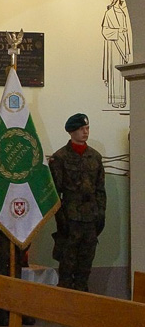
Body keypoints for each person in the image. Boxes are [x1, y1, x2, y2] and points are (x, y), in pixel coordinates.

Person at [49, 113, 106, 291]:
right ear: (72, 131)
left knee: (85, 266)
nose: (85, 132)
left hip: (90, 218)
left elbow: (100, 190)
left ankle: (82, 307)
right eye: (81, 129)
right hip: (70, 218)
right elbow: (54, 193)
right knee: (67, 266)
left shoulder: (95, 157)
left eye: (87, 128)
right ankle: (66, 310)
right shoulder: (60, 157)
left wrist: (101, 214)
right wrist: (61, 220)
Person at [0, 222, 34, 326]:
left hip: (19, 224)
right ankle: (2, 309)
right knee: (1, 264)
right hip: (0, 225)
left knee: (16, 264)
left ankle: (14, 307)